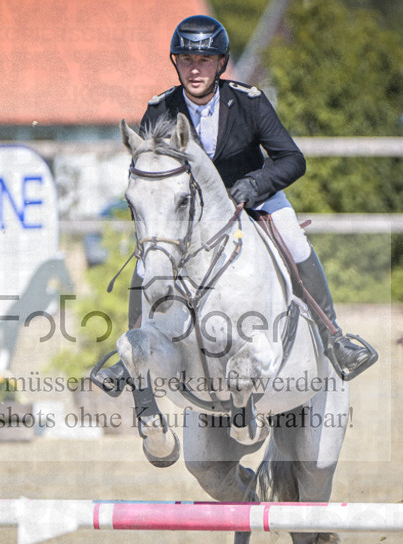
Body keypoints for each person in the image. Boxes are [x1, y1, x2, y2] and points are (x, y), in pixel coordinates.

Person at [92, 14, 377, 395]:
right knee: (149, 259)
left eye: (204, 61)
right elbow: (149, 170)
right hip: (189, 213)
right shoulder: (160, 109)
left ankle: (333, 337)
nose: (195, 70)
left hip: (252, 197)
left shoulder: (249, 102)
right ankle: (134, 356)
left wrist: (254, 183)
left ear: (221, 63)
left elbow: (293, 159)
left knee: (293, 237)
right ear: (176, 63)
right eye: (186, 60)